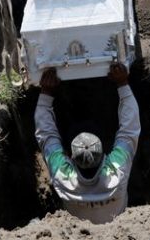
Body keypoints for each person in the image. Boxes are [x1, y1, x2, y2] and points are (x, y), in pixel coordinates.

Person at [35, 63, 140, 224]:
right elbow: (129, 131)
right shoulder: (116, 172)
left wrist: (46, 92)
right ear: (105, 153)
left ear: (69, 157)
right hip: (117, 228)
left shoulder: (63, 176)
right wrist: (122, 83)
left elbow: (47, 136)